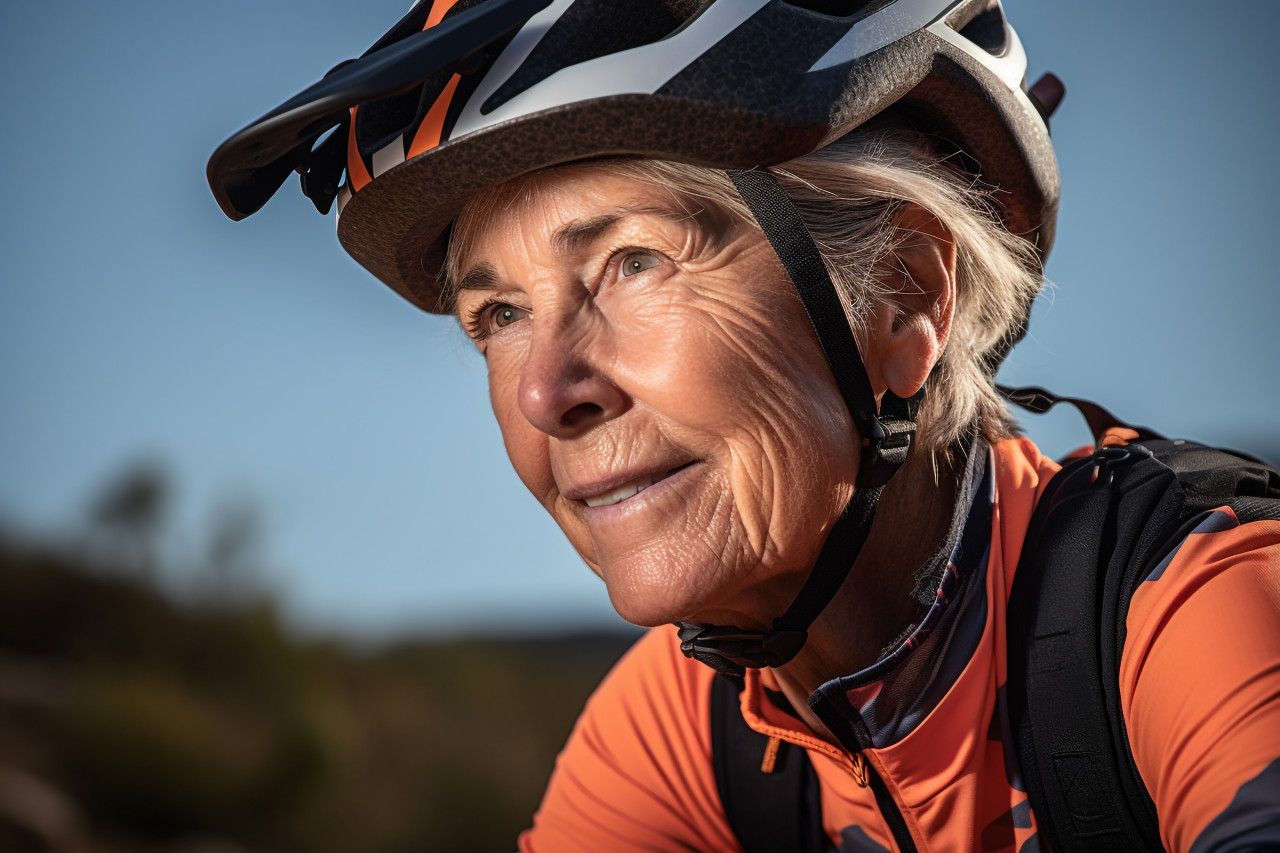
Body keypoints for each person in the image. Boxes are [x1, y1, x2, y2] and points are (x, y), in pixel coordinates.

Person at [208, 1, 1280, 850]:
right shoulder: (680, 725)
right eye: (499, 315)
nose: (546, 390)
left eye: (633, 262)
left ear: (903, 297)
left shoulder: (1193, 607)